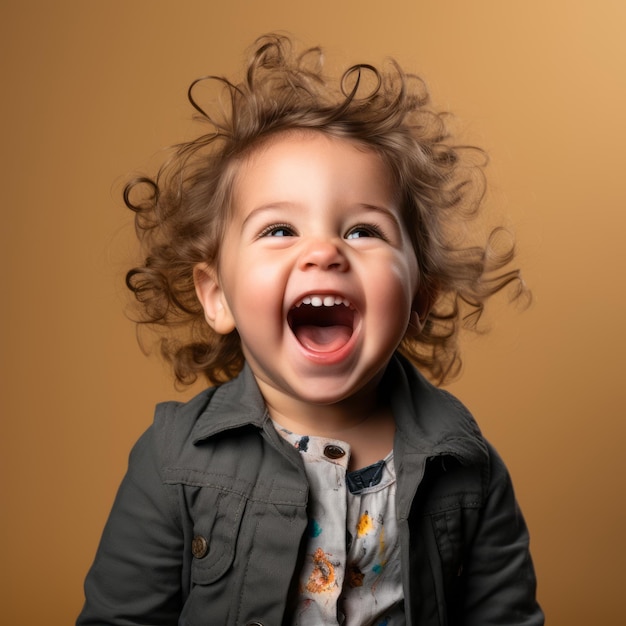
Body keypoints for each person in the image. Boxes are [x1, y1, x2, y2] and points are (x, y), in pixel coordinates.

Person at [77, 34, 544, 626]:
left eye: (363, 231)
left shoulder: (464, 465)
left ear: (419, 297)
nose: (323, 251)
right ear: (217, 297)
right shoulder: (173, 460)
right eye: (278, 230)